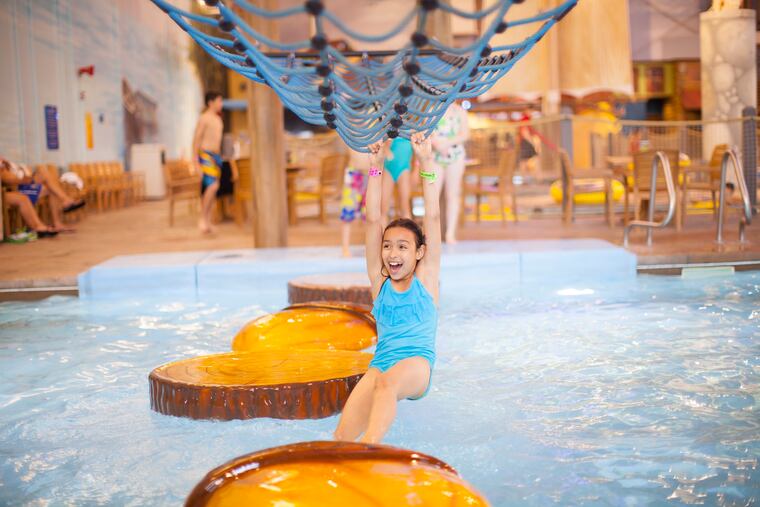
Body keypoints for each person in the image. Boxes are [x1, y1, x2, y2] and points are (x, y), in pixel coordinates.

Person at [334, 132, 441, 444]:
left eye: (403, 247)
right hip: (381, 362)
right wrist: (376, 166)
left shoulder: (426, 279)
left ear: (419, 253)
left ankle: (371, 449)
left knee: (387, 385)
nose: (393, 254)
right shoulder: (379, 282)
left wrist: (426, 162)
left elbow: (432, 216)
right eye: (388, 246)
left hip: (417, 364)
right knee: (340, 437)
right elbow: (373, 220)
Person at [1, 157, 85, 235]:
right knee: (43, 174)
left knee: (49, 185)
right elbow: (7, 179)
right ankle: (66, 201)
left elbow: (10, 174)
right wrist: (23, 179)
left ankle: (58, 222)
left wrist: (8, 166)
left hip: (20, 186)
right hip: (12, 188)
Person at [431, 101, 469, 244]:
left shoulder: (460, 111)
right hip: (435, 156)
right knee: (432, 195)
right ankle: (431, 234)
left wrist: (446, 143)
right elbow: (425, 132)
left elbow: (465, 134)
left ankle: (450, 234)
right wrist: (437, 144)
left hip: (455, 155)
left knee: (452, 194)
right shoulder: (431, 109)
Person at [193, 91, 224, 234]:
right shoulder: (204, 118)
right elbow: (196, 140)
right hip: (205, 155)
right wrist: (195, 163)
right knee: (212, 187)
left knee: (214, 189)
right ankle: (202, 219)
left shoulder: (218, 119)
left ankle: (208, 220)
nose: (221, 104)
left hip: (216, 157)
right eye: (219, 101)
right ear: (210, 102)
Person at [339, 149, 369, 257]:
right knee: (348, 210)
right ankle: (345, 248)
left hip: (372, 172)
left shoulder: (376, 133)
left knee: (370, 214)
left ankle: (369, 247)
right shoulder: (353, 132)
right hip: (354, 172)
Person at [381, 137, 414, 223]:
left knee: (405, 206)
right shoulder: (389, 129)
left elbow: (418, 150)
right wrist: (386, 148)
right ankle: (382, 235)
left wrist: (416, 171)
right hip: (388, 169)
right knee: (383, 208)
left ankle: (408, 235)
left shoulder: (411, 129)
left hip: (404, 170)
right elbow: (383, 146)